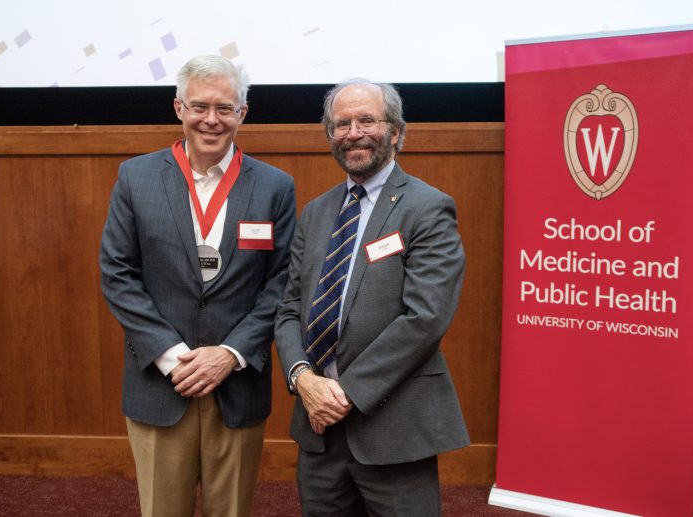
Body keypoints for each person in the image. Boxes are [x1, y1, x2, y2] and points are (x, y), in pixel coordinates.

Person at [99, 55, 296, 517]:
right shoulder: (136, 177)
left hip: (238, 384)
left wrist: (229, 355)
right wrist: (174, 358)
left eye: (225, 108)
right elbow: (117, 273)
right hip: (161, 384)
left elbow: (284, 282)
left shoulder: (275, 187)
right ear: (179, 108)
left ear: (242, 114)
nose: (212, 119)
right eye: (200, 106)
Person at [274, 79, 469, 516]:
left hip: (392, 425)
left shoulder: (428, 208)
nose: (353, 131)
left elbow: (425, 319)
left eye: (367, 119)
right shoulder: (316, 212)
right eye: (341, 123)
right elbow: (289, 310)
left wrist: (343, 395)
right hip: (318, 428)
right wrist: (302, 378)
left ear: (395, 131)